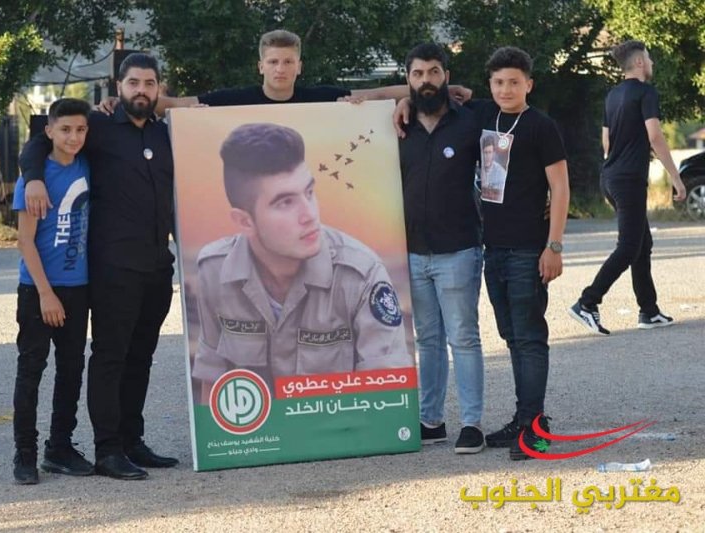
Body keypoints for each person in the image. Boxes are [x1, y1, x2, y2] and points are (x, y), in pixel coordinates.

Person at [19, 53, 178, 481]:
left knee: (141, 357)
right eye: (133, 83)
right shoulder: (97, 127)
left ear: (158, 88)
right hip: (113, 269)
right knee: (110, 356)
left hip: (158, 267)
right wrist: (33, 177)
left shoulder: (167, 133)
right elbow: (40, 137)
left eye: (149, 83)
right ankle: (107, 450)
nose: (141, 90)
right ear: (118, 86)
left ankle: (131, 440)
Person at [192, 123, 411, 398]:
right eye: (285, 202)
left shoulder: (360, 273)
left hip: (340, 424)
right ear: (245, 222)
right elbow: (213, 383)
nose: (310, 215)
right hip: (259, 427)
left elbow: (388, 393)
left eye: (309, 193)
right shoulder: (214, 270)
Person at [474, 47, 570, 460]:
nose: (506, 89)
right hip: (493, 249)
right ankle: (522, 418)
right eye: (498, 82)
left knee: (529, 338)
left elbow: (560, 188)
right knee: (512, 337)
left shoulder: (541, 126)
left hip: (529, 250)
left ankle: (536, 428)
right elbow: (442, 94)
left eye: (514, 82)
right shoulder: (485, 117)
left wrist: (554, 246)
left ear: (529, 84)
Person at [397, 43, 486, 454]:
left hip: (459, 249)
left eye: (434, 72)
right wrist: (399, 99)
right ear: (408, 79)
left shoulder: (472, 122)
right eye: (418, 74)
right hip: (411, 252)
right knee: (427, 340)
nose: (426, 81)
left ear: (446, 76)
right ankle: (430, 421)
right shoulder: (397, 126)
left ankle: (472, 423)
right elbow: (355, 100)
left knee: (463, 338)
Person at [568, 40, 686, 335]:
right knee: (629, 247)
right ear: (639, 63)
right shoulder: (646, 93)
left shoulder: (613, 95)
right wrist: (675, 177)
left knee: (642, 244)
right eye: (649, 58)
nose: (652, 63)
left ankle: (649, 311)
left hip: (609, 177)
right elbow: (655, 137)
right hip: (628, 180)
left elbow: (606, 142)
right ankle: (587, 302)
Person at [11, 98, 94, 484]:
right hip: (38, 290)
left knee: (72, 369)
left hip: (78, 287)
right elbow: (25, 241)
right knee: (31, 370)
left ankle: (59, 448)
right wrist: (46, 294)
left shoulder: (87, 166)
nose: (73, 137)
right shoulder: (34, 179)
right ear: (49, 132)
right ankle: (24, 454)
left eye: (80, 129)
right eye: (65, 130)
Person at [98, 30, 470, 111]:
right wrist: (120, 101)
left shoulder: (320, 97)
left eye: (288, 61)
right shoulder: (234, 100)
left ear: (299, 66)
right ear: (260, 65)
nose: (281, 68)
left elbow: (376, 94)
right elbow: (177, 103)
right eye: (274, 62)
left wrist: (440, 91)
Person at [480, 134, 508, 203]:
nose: (487, 156)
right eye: (485, 152)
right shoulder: (477, 166)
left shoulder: (501, 173)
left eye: (490, 152)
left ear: (493, 153)